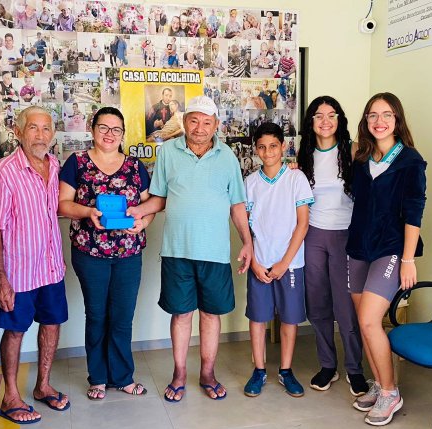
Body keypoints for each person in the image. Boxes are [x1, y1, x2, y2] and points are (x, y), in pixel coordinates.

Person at [127, 96, 253, 402]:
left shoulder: (228, 157)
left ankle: (208, 374)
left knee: (211, 314)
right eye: (194, 121)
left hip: (215, 252)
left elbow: (237, 205)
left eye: (207, 122)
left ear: (216, 126)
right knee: (181, 314)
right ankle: (179, 373)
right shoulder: (168, 151)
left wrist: (248, 242)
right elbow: (159, 197)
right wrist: (139, 214)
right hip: (177, 251)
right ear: (184, 122)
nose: (199, 128)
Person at [58, 107, 154, 401]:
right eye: (104, 128)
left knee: (123, 317)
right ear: (92, 128)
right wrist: (88, 212)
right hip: (90, 252)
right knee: (97, 315)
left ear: (123, 134)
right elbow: (63, 205)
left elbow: (150, 204)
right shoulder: (77, 163)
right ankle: (98, 377)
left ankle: (123, 377)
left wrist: (142, 223)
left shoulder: (136, 167)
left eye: (116, 129)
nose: (110, 134)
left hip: (128, 252)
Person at [0, 106, 70, 424]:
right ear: (17, 132)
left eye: (46, 128)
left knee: (51, 324)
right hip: (17, 273)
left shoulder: (55, 165)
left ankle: (43, 386)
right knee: (16, 331)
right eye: (33, 128)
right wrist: (1, 279)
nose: (40, 135)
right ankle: (10, 397)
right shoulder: (3, 172)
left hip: (50, 268)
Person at [349, 93, 427, 426]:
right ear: (365, 122)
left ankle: (391, 392)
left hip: (391, 249)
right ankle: (379, 383)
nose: (379, 121)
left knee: (369, 320)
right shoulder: (361, 157)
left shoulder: (410, 161)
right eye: (372, 115)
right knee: (364, 325)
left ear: (397, 119)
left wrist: (408, 260)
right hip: (358, 247)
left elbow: (414, 213)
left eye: (386, 114)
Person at [297, 96, 370, 396]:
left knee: (346, 308)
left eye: (331, 115)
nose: (325, 121)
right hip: (312, 234)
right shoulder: (302, 156)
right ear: (310, 122)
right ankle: (328, 365)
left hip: (346, 236)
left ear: (339, 119)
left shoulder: (353, 151)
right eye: (318, 116)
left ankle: (355, 369)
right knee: (318, 304)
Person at [242, 122, 313, 398]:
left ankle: (285, 370)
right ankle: (259, 370)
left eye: (273, 146)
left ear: (283, 147)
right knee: (258, 318)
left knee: (289, 319)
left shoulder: (296, 179)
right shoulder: (250, 183)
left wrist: (284, 262)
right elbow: (246, 227)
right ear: (255, 149)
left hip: (290, 263)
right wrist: (255, 262)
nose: (268, 152)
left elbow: (303, 224)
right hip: (259, 262)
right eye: (262, 147)